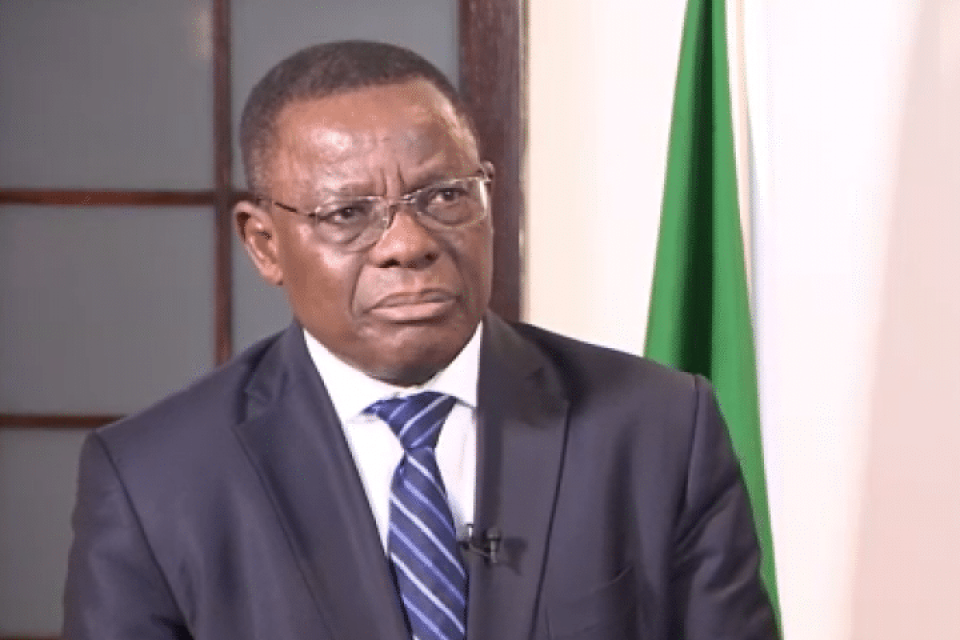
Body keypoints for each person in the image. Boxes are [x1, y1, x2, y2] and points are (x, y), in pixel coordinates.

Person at [63, 40, 778, 640]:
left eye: (444, 196)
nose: (407, 244)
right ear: (264, 243)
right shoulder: (154, 480)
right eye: (348, 213)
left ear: (489, 197)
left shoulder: (658, 428)